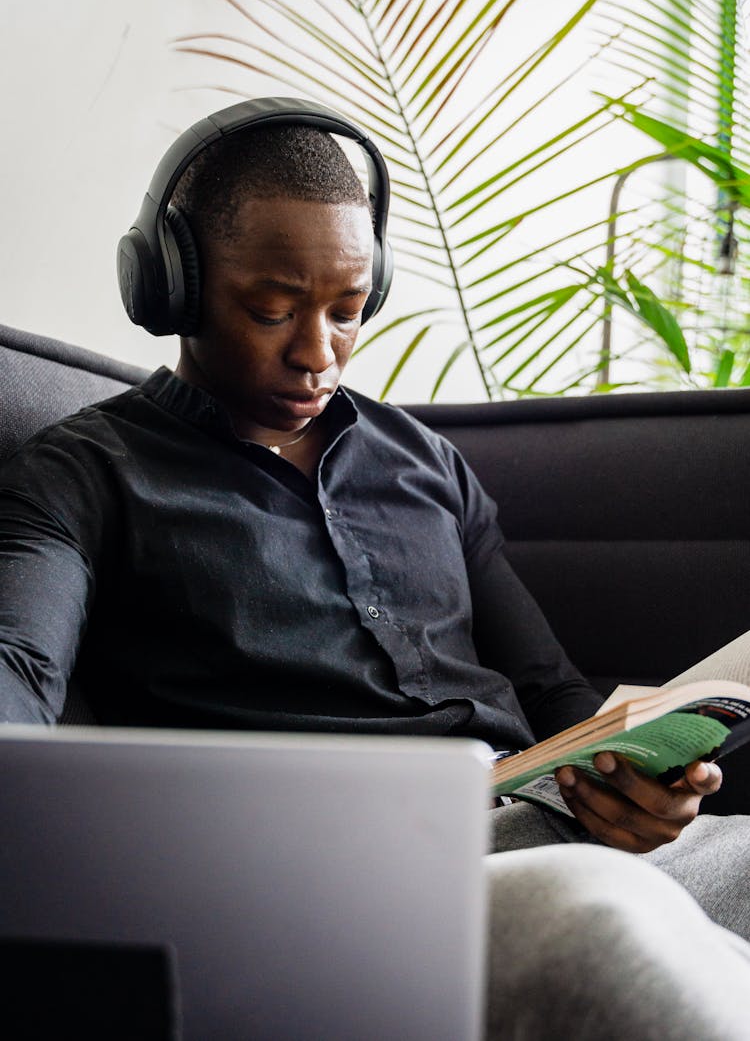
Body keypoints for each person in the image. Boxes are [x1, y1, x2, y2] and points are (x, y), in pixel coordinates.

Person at [1, 100, 749, 1038]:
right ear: (173, 286)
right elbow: (15, 681)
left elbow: (551, 691)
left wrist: (638, 786)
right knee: (597, 923)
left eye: (348, 312)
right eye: (273, 310)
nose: (318, 353)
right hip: (360, 878)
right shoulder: (82, 473)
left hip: (560, 821)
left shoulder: (424, 460)